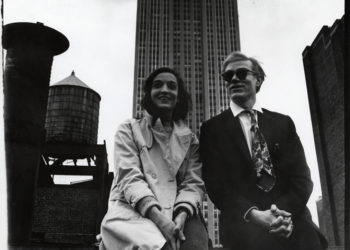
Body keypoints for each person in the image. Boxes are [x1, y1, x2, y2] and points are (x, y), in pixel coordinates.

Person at [199, 52, 328, 250]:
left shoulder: (283, 123)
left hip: (292, 221)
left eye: (241, 73)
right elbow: (217, 187)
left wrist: (280, 215)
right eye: (228, 76)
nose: (234, 79)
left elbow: (302, 179)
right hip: (245, 225)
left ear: (258, 79)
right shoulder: (211, 129)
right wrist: (256, 215)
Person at [100, 67, 208, 250]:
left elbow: (193, 184)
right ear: (149, 94)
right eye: (158, 85)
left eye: (171, 86)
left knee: (194, 246)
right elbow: (129, 178)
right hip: (133, 209)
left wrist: (181, 215)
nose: (165, 90)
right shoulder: (128, 129)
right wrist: (161, 221)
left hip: (179, 209)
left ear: (178, 96)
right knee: (161, 247)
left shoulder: (191, 140)